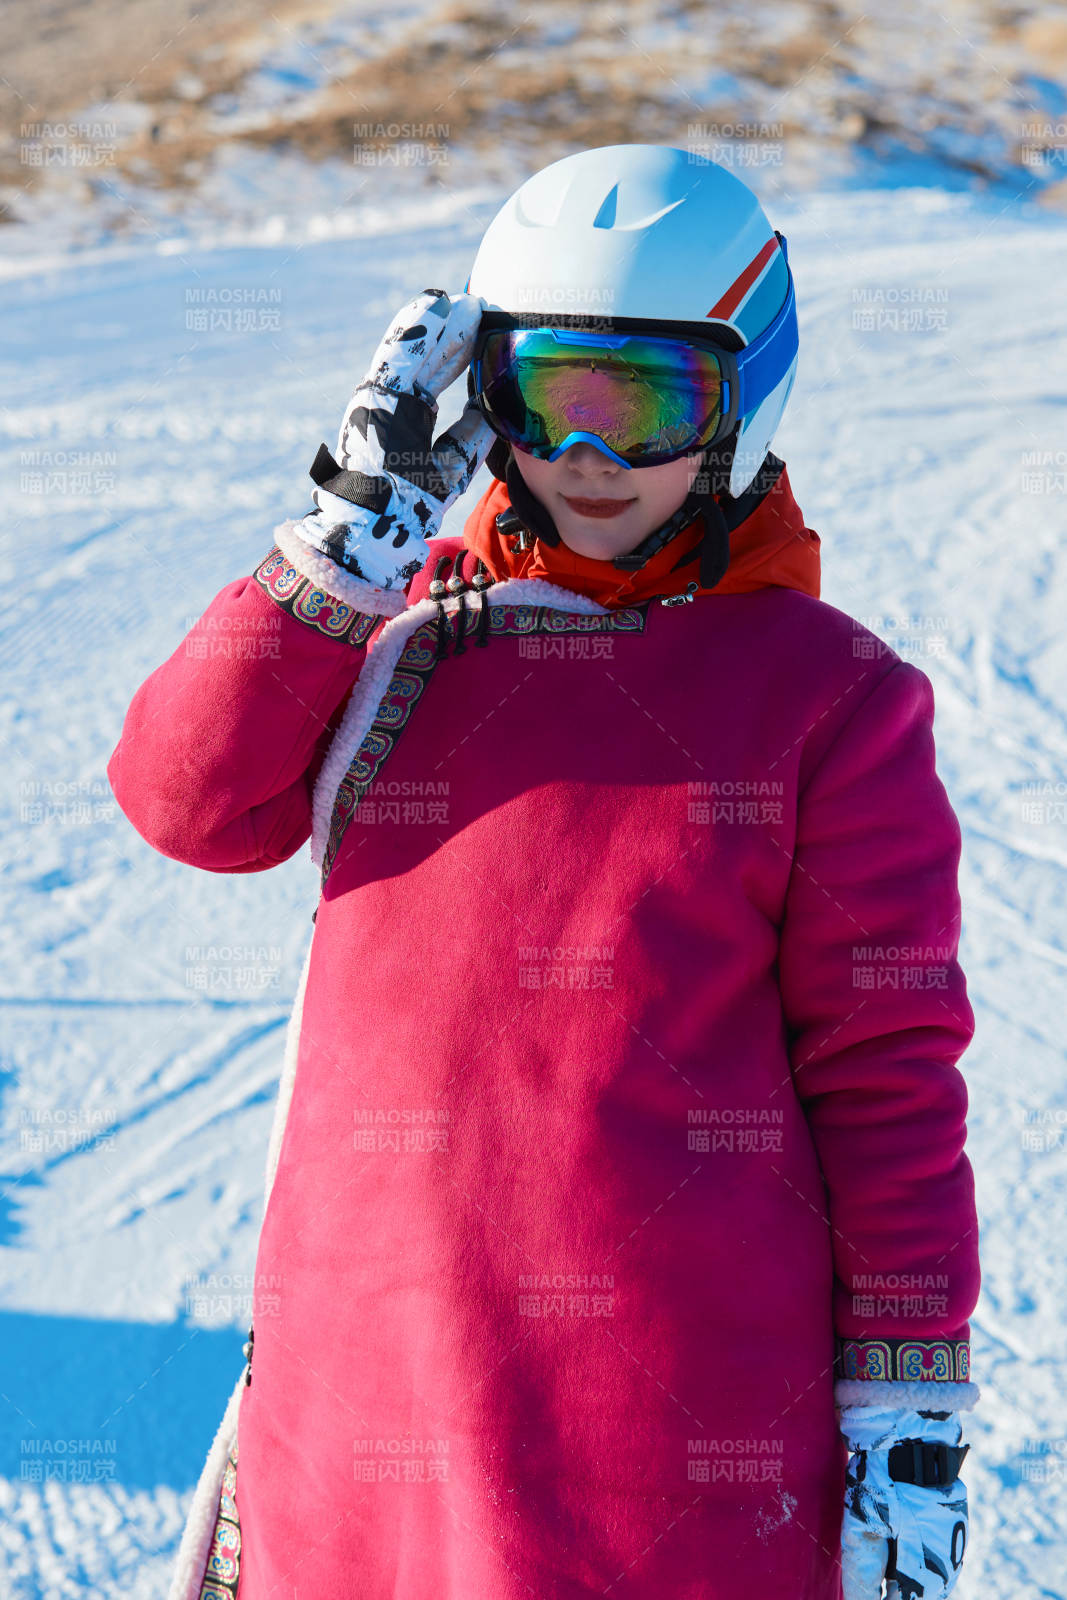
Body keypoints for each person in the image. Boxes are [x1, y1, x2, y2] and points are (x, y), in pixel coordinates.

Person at [107, 144, 980, 1600]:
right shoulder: (404, 639)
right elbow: (185, 800)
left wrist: (908, 1413)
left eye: (642, 403)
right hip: (360, 1402)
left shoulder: (830, 699)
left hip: (659, 1449)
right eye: (540, 393)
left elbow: (888, 1077)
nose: (585, 455)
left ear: (744, 400)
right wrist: (345, 539)